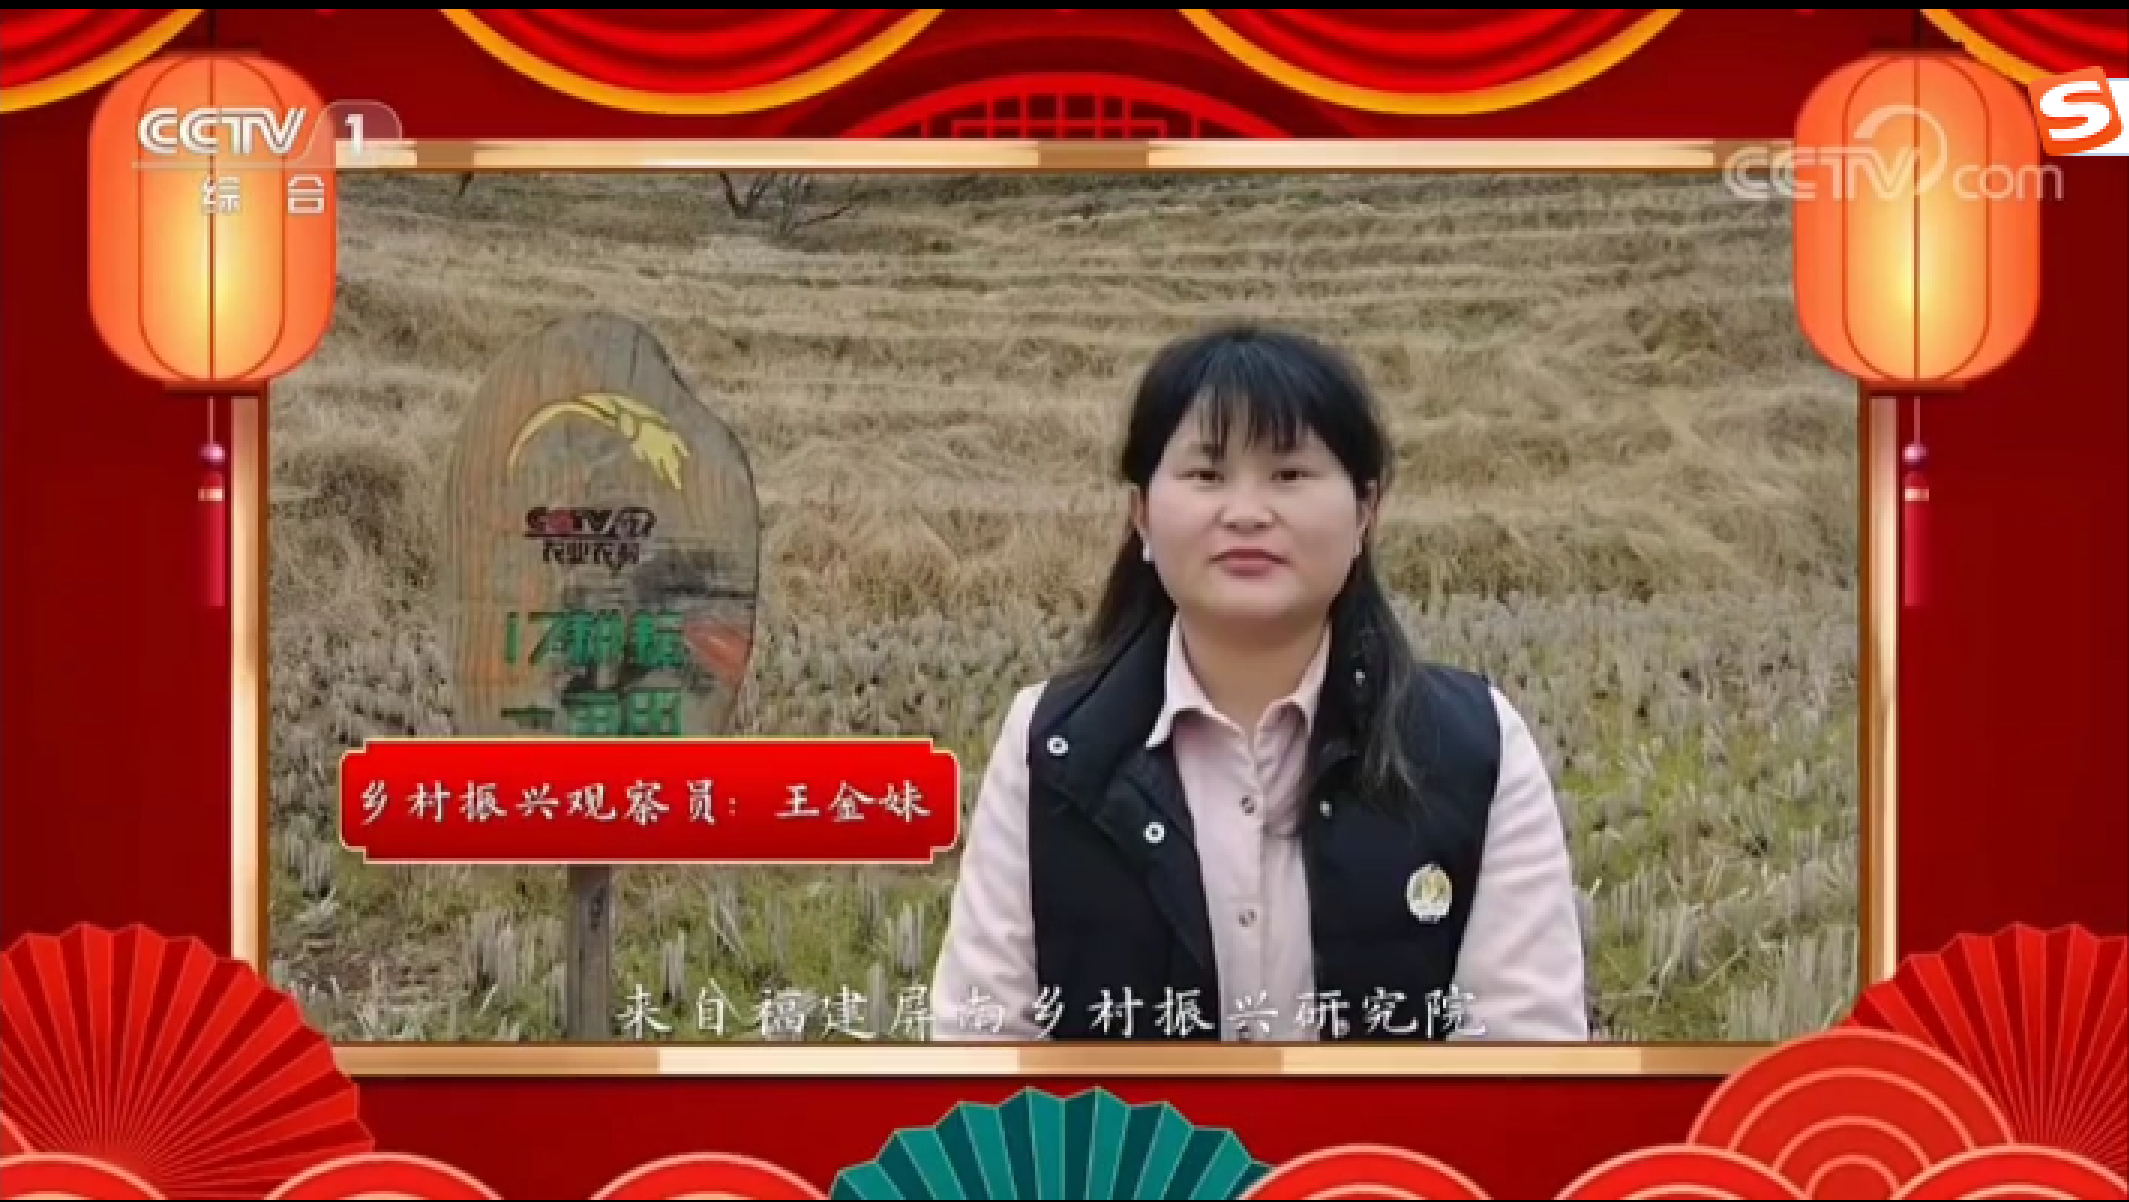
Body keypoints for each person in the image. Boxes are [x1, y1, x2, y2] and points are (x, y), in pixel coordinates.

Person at [929, 324, 1589, 1043]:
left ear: (1365, 511)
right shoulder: (1052, 745)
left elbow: (1523, 1057)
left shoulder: (1473, 745)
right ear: (1141, 514)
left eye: (1289, 474)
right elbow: (984, 1039)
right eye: (1207, 476)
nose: (1246, 513)